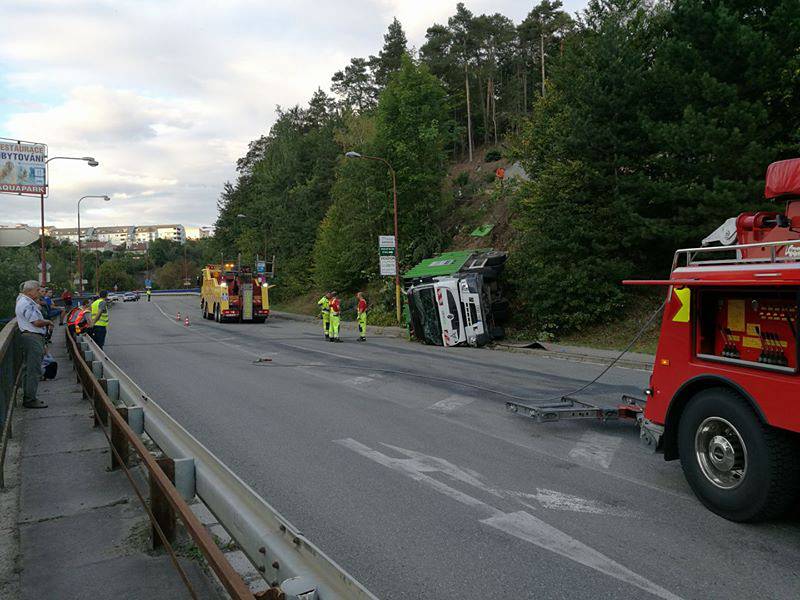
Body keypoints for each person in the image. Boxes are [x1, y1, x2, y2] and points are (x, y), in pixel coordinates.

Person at [15, 280, 51, 409]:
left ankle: (29, 397)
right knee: (33, 369)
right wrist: (47, 321)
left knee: (28, 369)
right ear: (29, 291)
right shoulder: (25, 303)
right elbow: (36, 322)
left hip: (29, 337)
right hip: (32, 338)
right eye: (37, 290)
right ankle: (30, 399)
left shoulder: (24, 301)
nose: (39, 292)